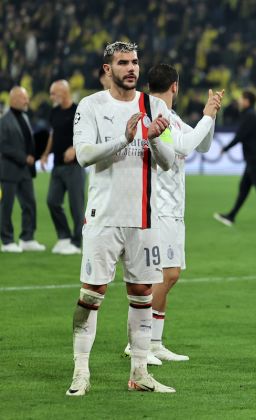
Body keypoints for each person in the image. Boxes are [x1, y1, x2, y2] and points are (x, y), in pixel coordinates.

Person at [66, 41, 176, 396]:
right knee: (92, 294)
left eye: (135, 63)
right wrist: (125, 137)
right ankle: (81, 371)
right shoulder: (91, 106)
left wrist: (154, 138)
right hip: (103, 217)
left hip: (144, 217)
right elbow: (84, 155)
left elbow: (168, 160)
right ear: (107, 68)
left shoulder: (154, 105)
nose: (131, 69)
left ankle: (140, 372)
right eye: (123, 63)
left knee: (143, 292)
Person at [122, 63, 222, 364]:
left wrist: (211, 116)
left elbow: (202, 144)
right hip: (157, 208)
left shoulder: (173, 117)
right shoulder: (154, 114)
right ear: (175, 86)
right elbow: (186, 146)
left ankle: (155, 342)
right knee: (160, 275)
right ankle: (135, 344)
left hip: (174, 209)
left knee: (171, 274)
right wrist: (207, 114)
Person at [213, 91, 256, 227]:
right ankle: (231, 216)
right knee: (244, 188)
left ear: (247, 101)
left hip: (253, 158)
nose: (240, 101)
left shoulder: (249, 115)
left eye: (241, 98)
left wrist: (226, 148)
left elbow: (240, 136)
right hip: (254, 156)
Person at [40, 80, 84, 255]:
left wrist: (75, 148)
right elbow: (53, 134)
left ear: (64, 93)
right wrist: (45, 154)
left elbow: (88, 133)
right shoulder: (54, 112)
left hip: (75, 167)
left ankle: (77, 242)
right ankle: (64, 236)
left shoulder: (78, 111)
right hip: (57, 165)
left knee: (76, 206)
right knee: (52, 201)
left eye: (53, 93)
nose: (51, 97)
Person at [0, 86, 46, 253]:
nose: (27, 101)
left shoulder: (25, 117)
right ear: (13, 99)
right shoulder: (4, 120)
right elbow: (4, 146)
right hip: (10, 170)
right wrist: (23, 157)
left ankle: (27, 238)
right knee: (7, 206)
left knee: (29, 204)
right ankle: (7, 241)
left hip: (25, 170)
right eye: (23, 98)